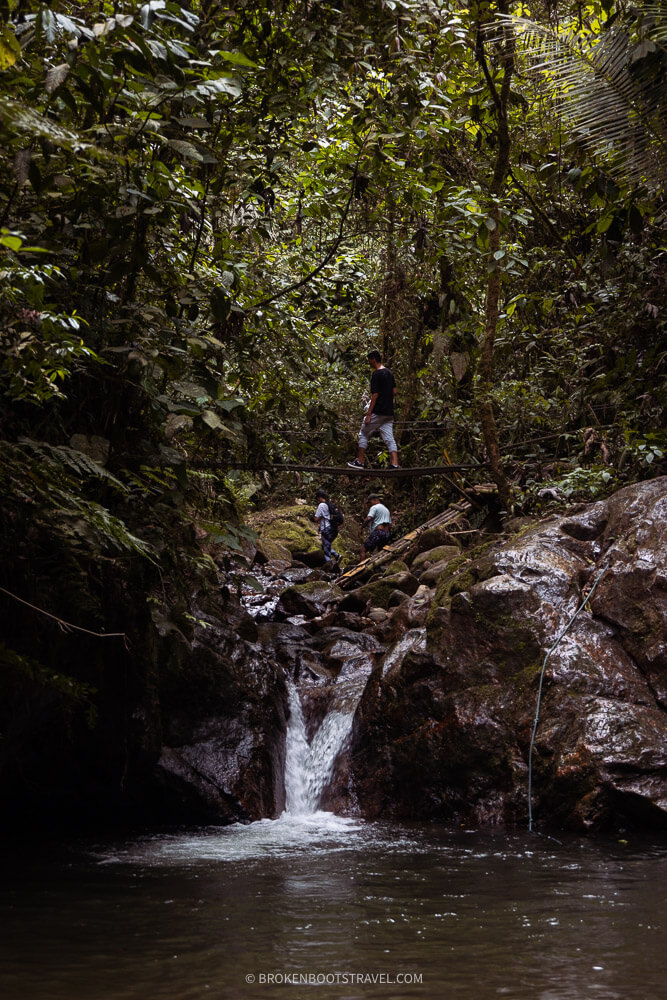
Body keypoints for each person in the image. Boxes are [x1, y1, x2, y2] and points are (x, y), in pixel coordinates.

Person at [347, 350, 400, 469]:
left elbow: (375, 395)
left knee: (364, 433)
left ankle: (360, 461)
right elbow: (395, 391)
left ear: (374, 359)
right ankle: (395, 463)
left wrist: (369, 413)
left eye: (369, 360)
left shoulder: (376, 374)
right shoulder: (389, 373)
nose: (369, 363)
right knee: (389, 437)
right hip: (389, 413)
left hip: (378, 411)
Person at [314, 488, 341, 566]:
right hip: (334, 528)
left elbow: (316, 518)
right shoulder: (330, 504)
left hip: (326, 529)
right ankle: (337, 556)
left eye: (317, 498)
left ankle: (329, 565)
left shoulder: (321, 505)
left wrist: (318, 518)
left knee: (326, 549)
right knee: (326, 545)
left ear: (319, 497)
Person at [360, 493, 392, 559]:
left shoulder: (374, 507)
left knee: (363, 549)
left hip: (378, 532)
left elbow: (369, 518)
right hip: (386, 534)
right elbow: (390, 525)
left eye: (369, 502)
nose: (368, 505)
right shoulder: (386, 509)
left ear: (375, 500)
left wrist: (361, 528)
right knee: (382, 553)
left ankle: (362, 568)